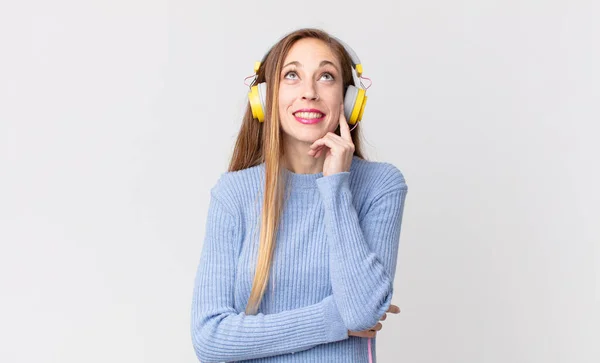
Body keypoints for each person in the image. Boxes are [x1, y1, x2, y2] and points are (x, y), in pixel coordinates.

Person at [190, 27, 408, 363]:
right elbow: (210, 339)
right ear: (265, 98)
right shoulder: (234, 194)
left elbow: (362, 313)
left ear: (349, 101)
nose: (309, 92)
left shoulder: (381, 186)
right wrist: (333, 319)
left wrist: (336, 185)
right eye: (292, 75)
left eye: (326, 76)